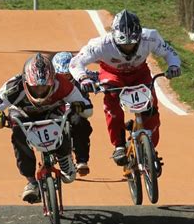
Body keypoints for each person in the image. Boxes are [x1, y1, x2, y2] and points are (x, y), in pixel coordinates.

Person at [69, 9, 181, 174]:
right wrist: (83, 78)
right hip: (112, 74)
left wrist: (173, 66)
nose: (128, 47)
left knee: (151, 108)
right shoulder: (99, 45)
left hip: (139, 74)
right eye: (124, 44)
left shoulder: (150, 37)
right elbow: (75, 62)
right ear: (114, 37)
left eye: (132, 43)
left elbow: (169, 52)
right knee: (111, 98)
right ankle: (119, 145)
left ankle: (149, 145)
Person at [0, 53, 93, 203]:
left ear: (52, 81)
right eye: (36, 88)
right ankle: (31, 181)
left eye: (44, 87)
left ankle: (64, 157)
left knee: (65, 121)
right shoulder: (13, 87)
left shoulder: (62, 83)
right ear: (26, 82)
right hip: (23, 114)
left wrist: (79, 106)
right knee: (16, 130)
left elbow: (88, 110)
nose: (40, 91)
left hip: (51, 112)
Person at [52, 51, 98, 176]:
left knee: (81, 124)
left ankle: (82, 160)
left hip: (77, 109)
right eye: (61, 75)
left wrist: (99, 84)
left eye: (67, 75)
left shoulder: (82, 74)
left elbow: (99, 77)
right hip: (56, 110)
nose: (65, 78)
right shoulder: (49, 80)